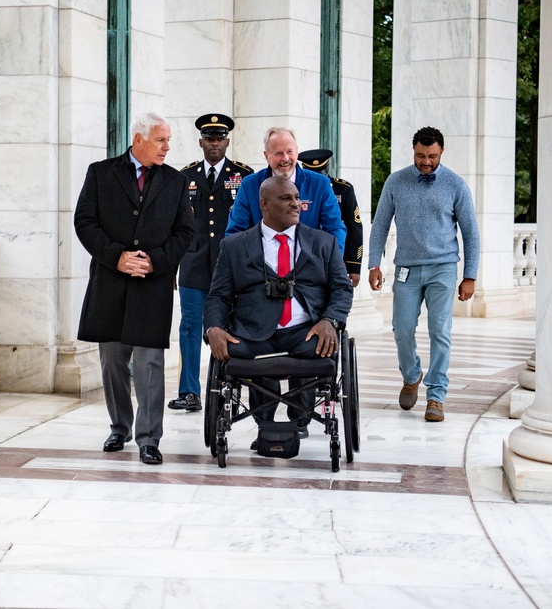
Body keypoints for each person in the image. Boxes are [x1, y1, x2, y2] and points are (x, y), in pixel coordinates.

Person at [73, 112, 194, 464]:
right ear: (139, 140)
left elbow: (186, 233)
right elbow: (84, 221)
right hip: (110, 283)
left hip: (151, 286)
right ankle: (119, 426)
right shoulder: (100, 172)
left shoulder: (174, 181)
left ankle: (149, 438)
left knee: (149, 363)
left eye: (168, 140)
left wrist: (154, 260)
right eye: (161, 140)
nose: (167, 147)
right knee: (112, 360)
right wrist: (117, 257)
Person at [204, 176, 353, 444]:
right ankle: (265, 421)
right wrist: (213, 328)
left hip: (305, 331)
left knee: (320, 348)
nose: (296, 203)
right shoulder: (235, 246)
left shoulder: (323, 243)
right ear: (264, 204)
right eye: (286, 198)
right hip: (253, 332)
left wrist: (331, 320)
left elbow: (342, 288)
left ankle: (301, 418)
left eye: (297, 197)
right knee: (235, 351)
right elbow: (218, 295)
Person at [225, 127, 349, 435]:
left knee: (308, 338)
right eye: (278, 152)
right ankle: (264, 421)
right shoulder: (251, 185)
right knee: (259, 335)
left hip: (309, 285)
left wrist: (326, 264)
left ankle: (301, 416)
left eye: (290, 151)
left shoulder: (318, 185)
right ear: (266, 156)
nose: (285, 158)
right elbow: (235, 230)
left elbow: (336, 229)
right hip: (261, 281)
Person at [366, 126, 479, 423]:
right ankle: (412, 374)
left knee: (439, 331)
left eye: (431, 156)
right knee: (401, 329)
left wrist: (470, 275)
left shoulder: (456, 186)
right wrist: (374, 264)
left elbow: (471, 233)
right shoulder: (396, 182)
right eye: (420, 155)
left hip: (443, 268)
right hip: (406, 268)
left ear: (441, 152)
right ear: (413, 151)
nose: (425, 161)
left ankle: (436, 395)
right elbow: (379, 226)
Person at [169, 113, 253, 413]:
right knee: (190, 326)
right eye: (209, 138)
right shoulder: (184, 176)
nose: (214, 143)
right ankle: (189, 391)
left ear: (227, 142)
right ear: (201, 141)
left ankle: (231, 387)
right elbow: (174, 225)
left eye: (219, 138)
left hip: (231, 267)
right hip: (193, 265)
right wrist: (172, 264)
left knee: (231, 327)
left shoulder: (244, 176)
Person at [297, 148, 363, 286]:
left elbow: (354, 227)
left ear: (327, 167)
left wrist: (353, 266)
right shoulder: (295, 189)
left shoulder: (343, 189)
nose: (319, 180)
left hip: (334, 257)